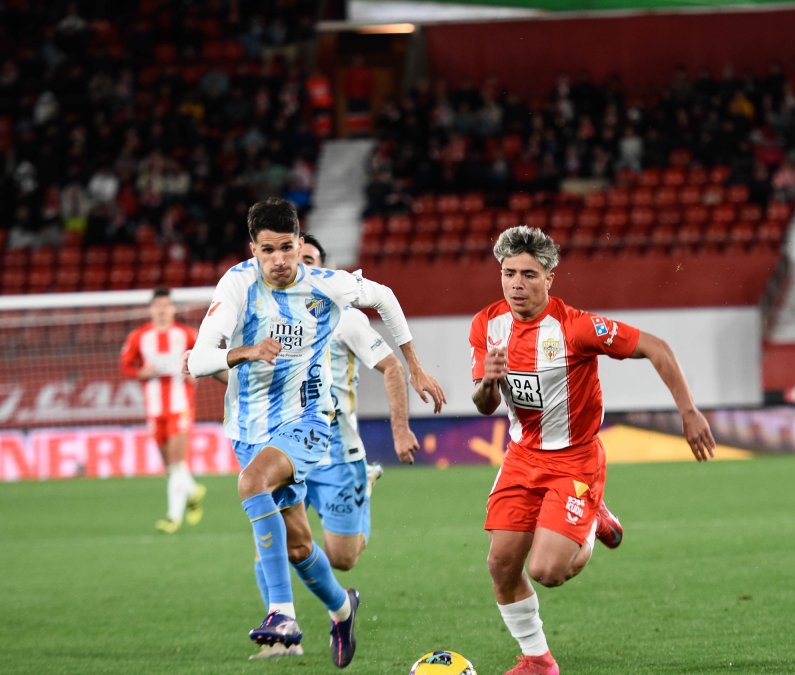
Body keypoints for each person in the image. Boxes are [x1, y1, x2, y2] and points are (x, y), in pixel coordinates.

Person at [470, 226, 717, 675]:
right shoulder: (488, 324)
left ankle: (591, 520)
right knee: (501, 566)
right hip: (522, 457)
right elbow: (484, 405)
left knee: (549, 572)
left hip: (575, 459)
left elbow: (656, 348)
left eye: (528, 274)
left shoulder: (577, 327)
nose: (516, 284)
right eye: (509, 274)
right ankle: (539, 660)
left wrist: (689, 411)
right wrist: (488, 380)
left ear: (550, 278)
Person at [187, 198, 421, 667]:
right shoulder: (237, 284)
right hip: (249, 428)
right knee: (298, 545)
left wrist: (414, 365)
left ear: (299, 245)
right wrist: (242, 353)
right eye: (268, 249)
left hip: (310, 420)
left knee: (252, 484)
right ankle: (341, 608)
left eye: (287, 248)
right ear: (253, 249)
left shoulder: (328, 285)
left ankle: (281, 616)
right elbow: (196, 362)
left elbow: (385, 297)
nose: (278, 259)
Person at [119, 287, 206, 534]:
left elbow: (204, 359)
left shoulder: (187, 334)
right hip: (154, 409)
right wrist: (140, 373)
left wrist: (195, 374)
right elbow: (125, 367)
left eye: (166, 305)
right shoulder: (139, 337)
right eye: (158, 305)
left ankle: (173, 518)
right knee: (170, 467)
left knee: (178, 464)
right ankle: (192, 490)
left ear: (173, 309)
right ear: (151, 309)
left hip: (181, 407)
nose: (162, 310)